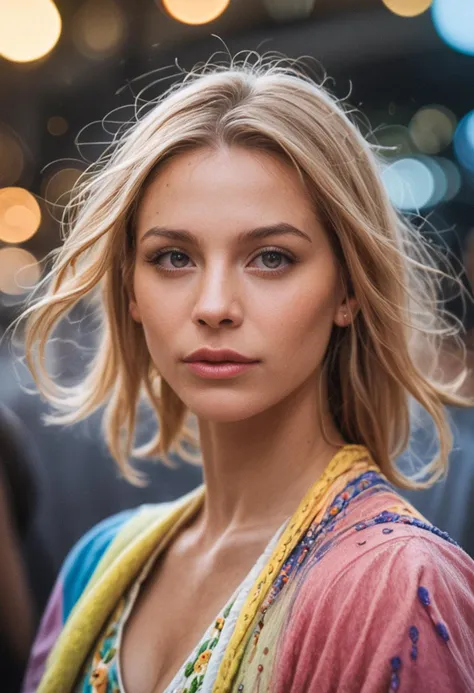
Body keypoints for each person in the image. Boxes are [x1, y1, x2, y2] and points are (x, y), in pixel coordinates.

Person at [18, 57, 474, 693]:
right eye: (173, 257)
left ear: (348, 289)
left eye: (270, 258)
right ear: (130, 291)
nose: (213, 306)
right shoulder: (95, 565)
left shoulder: (398, 586)